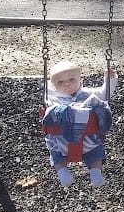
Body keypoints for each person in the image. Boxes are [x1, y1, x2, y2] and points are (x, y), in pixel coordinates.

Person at [41, 60, 117, 188]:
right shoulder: (53, 98)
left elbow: (105, 94)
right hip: (62, 142)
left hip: (88, 142)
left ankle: (96, 174)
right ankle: (63, 174)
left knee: (97, 152)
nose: (67, 84)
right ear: (53, 86)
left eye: (71, 79)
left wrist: (110, 80)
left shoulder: (89, 94)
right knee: (56, 154)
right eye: (60, 82)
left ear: (80, 81)